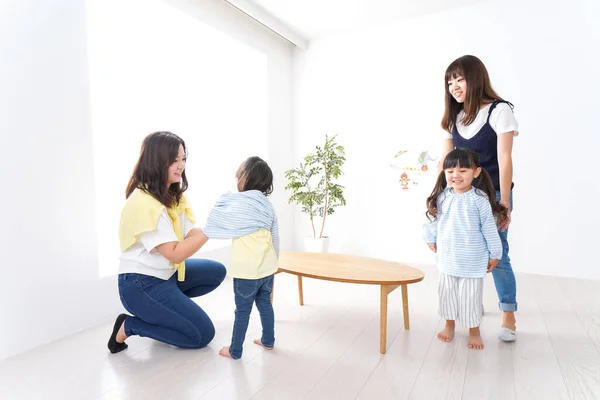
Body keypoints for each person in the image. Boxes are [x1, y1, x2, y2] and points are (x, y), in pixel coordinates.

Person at [106, 131, 226, 354]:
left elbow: (190, 233)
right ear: (157, 161)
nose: (181, 166)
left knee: (216, 271)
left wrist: (219, 222)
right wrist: (213, 228)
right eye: (174, 160)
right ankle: (129, 326)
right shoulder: (144, 202)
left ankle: (166, 313)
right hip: (140, 284)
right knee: (202, 335)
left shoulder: (172, 193)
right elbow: (175, 253)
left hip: (166, 274)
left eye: (183, 159)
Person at [439, 55, 519, 342]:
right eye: (450, 82)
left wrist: (505, 202)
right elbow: (446, 162)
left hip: (494, 193)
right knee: (465, 248)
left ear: (475, 79)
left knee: (498, 253)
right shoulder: (455, 118)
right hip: (461, 195)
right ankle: (474, 303)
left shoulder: (499, 111)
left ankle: (508, 313)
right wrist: (438, 196)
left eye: (459, 79)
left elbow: (505, 158)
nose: (454, 87)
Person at [424, 148, 508, 349]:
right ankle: (449, 325)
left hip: (473, 260)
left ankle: (474, 330)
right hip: (448, 258)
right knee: (447, 296)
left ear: (476, 172)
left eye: (463, 171)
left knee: (471, 299)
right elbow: (435, 220)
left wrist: (496, 254)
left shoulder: (479, 200)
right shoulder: (443, 197)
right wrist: (430, 237)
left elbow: (489, 229)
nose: (456, 175)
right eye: (450, 171)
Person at [202, 156, 279, 360]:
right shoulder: (268, 206)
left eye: (238, 173)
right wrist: (275, 264)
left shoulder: (238, 203)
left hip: (246, 271)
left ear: (244, 177)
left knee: (242, 311)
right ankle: (268, 340)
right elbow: (275, 237)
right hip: (267, 268)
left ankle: (235, 350)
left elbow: (220, 216)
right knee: (265, 305)